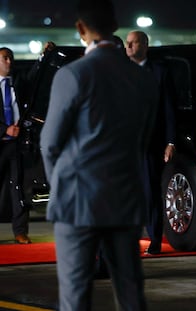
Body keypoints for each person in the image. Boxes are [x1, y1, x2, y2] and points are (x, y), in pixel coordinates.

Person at [39, 0, 159, 310]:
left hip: (77, 201)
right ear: (115, 28)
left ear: (81, 29)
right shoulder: (143, 78)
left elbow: (49, 143)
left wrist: (60, 184)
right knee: (131, 295)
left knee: (75, 297)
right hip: (124, 198)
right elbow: (142, 139)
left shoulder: (72, 75)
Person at [126, 30, 176, 255]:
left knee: (150, 192)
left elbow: (169, 108)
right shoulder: (120, 71)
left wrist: (170, 141)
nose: (128, 46)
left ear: (144, 45)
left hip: (150, 144)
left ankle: (154, 239)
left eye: (133, 43)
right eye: (127, 43)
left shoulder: (159, 71)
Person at [0, 47, 31, 244]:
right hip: (1, 141)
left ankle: (20, 231)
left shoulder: (18, 83)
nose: (9, 61)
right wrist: (4, 130)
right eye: (5, 58)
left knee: (18, 187)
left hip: (17, 144)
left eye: (10, 58)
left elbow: (36, 76)